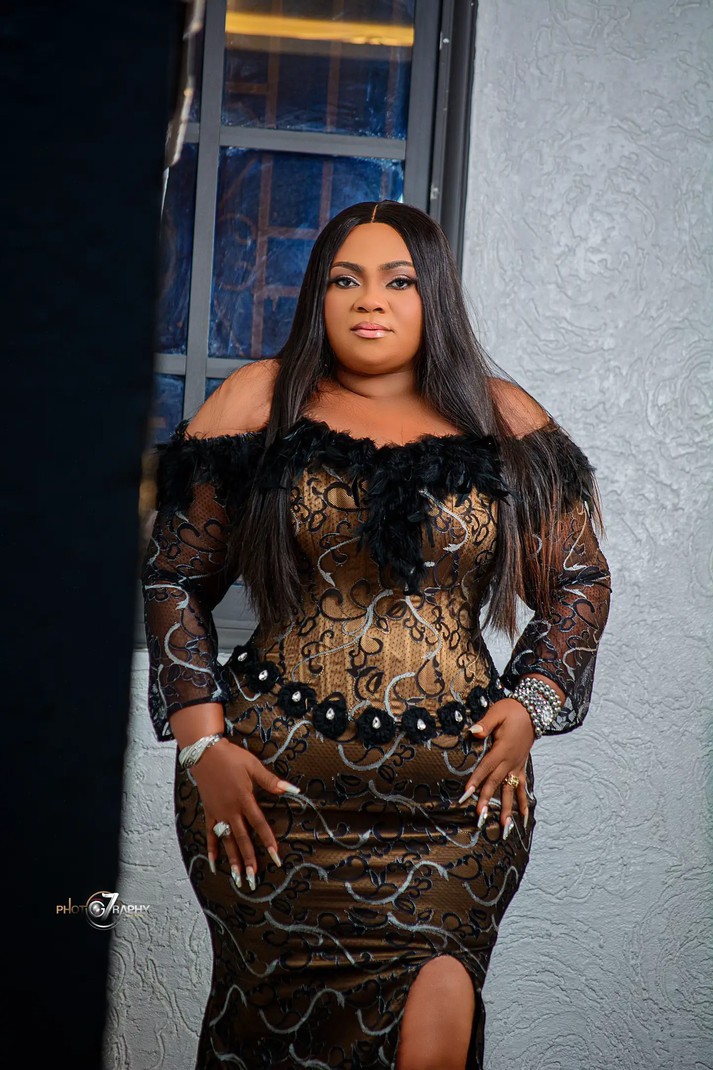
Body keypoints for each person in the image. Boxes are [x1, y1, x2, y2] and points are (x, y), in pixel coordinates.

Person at [141, 199, 611, 1070]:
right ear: (317, 296)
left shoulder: (501, 416)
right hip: (269, 805)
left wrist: (530, 704)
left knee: (438, 1016)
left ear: (433, 294)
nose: (370, 300)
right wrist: (203, 747)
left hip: (455, 811)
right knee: (267, 1039)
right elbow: (174, 578)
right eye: (344, 280)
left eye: (398, 281)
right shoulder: (259, 399)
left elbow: (578, 580)